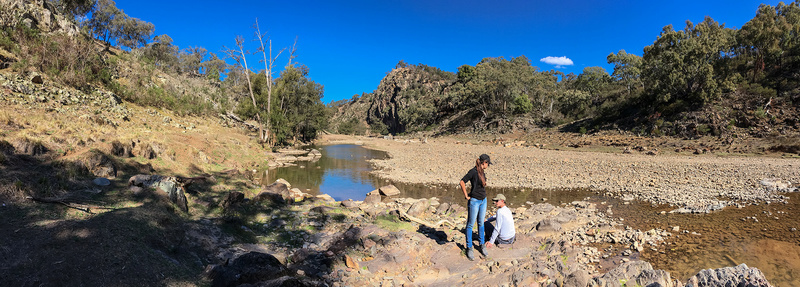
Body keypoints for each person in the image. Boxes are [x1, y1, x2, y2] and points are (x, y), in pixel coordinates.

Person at [459, 153, 492, 261]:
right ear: (484, 162)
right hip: (474, 201)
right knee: (470, 225)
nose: (488, 166)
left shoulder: (482, 171)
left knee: (481, 223)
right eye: (488, 163)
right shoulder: (473, 171)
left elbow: (482, 184)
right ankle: (469, 247)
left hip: (483, 200)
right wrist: (466, 196)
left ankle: (481, 245)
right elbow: (462, 181)